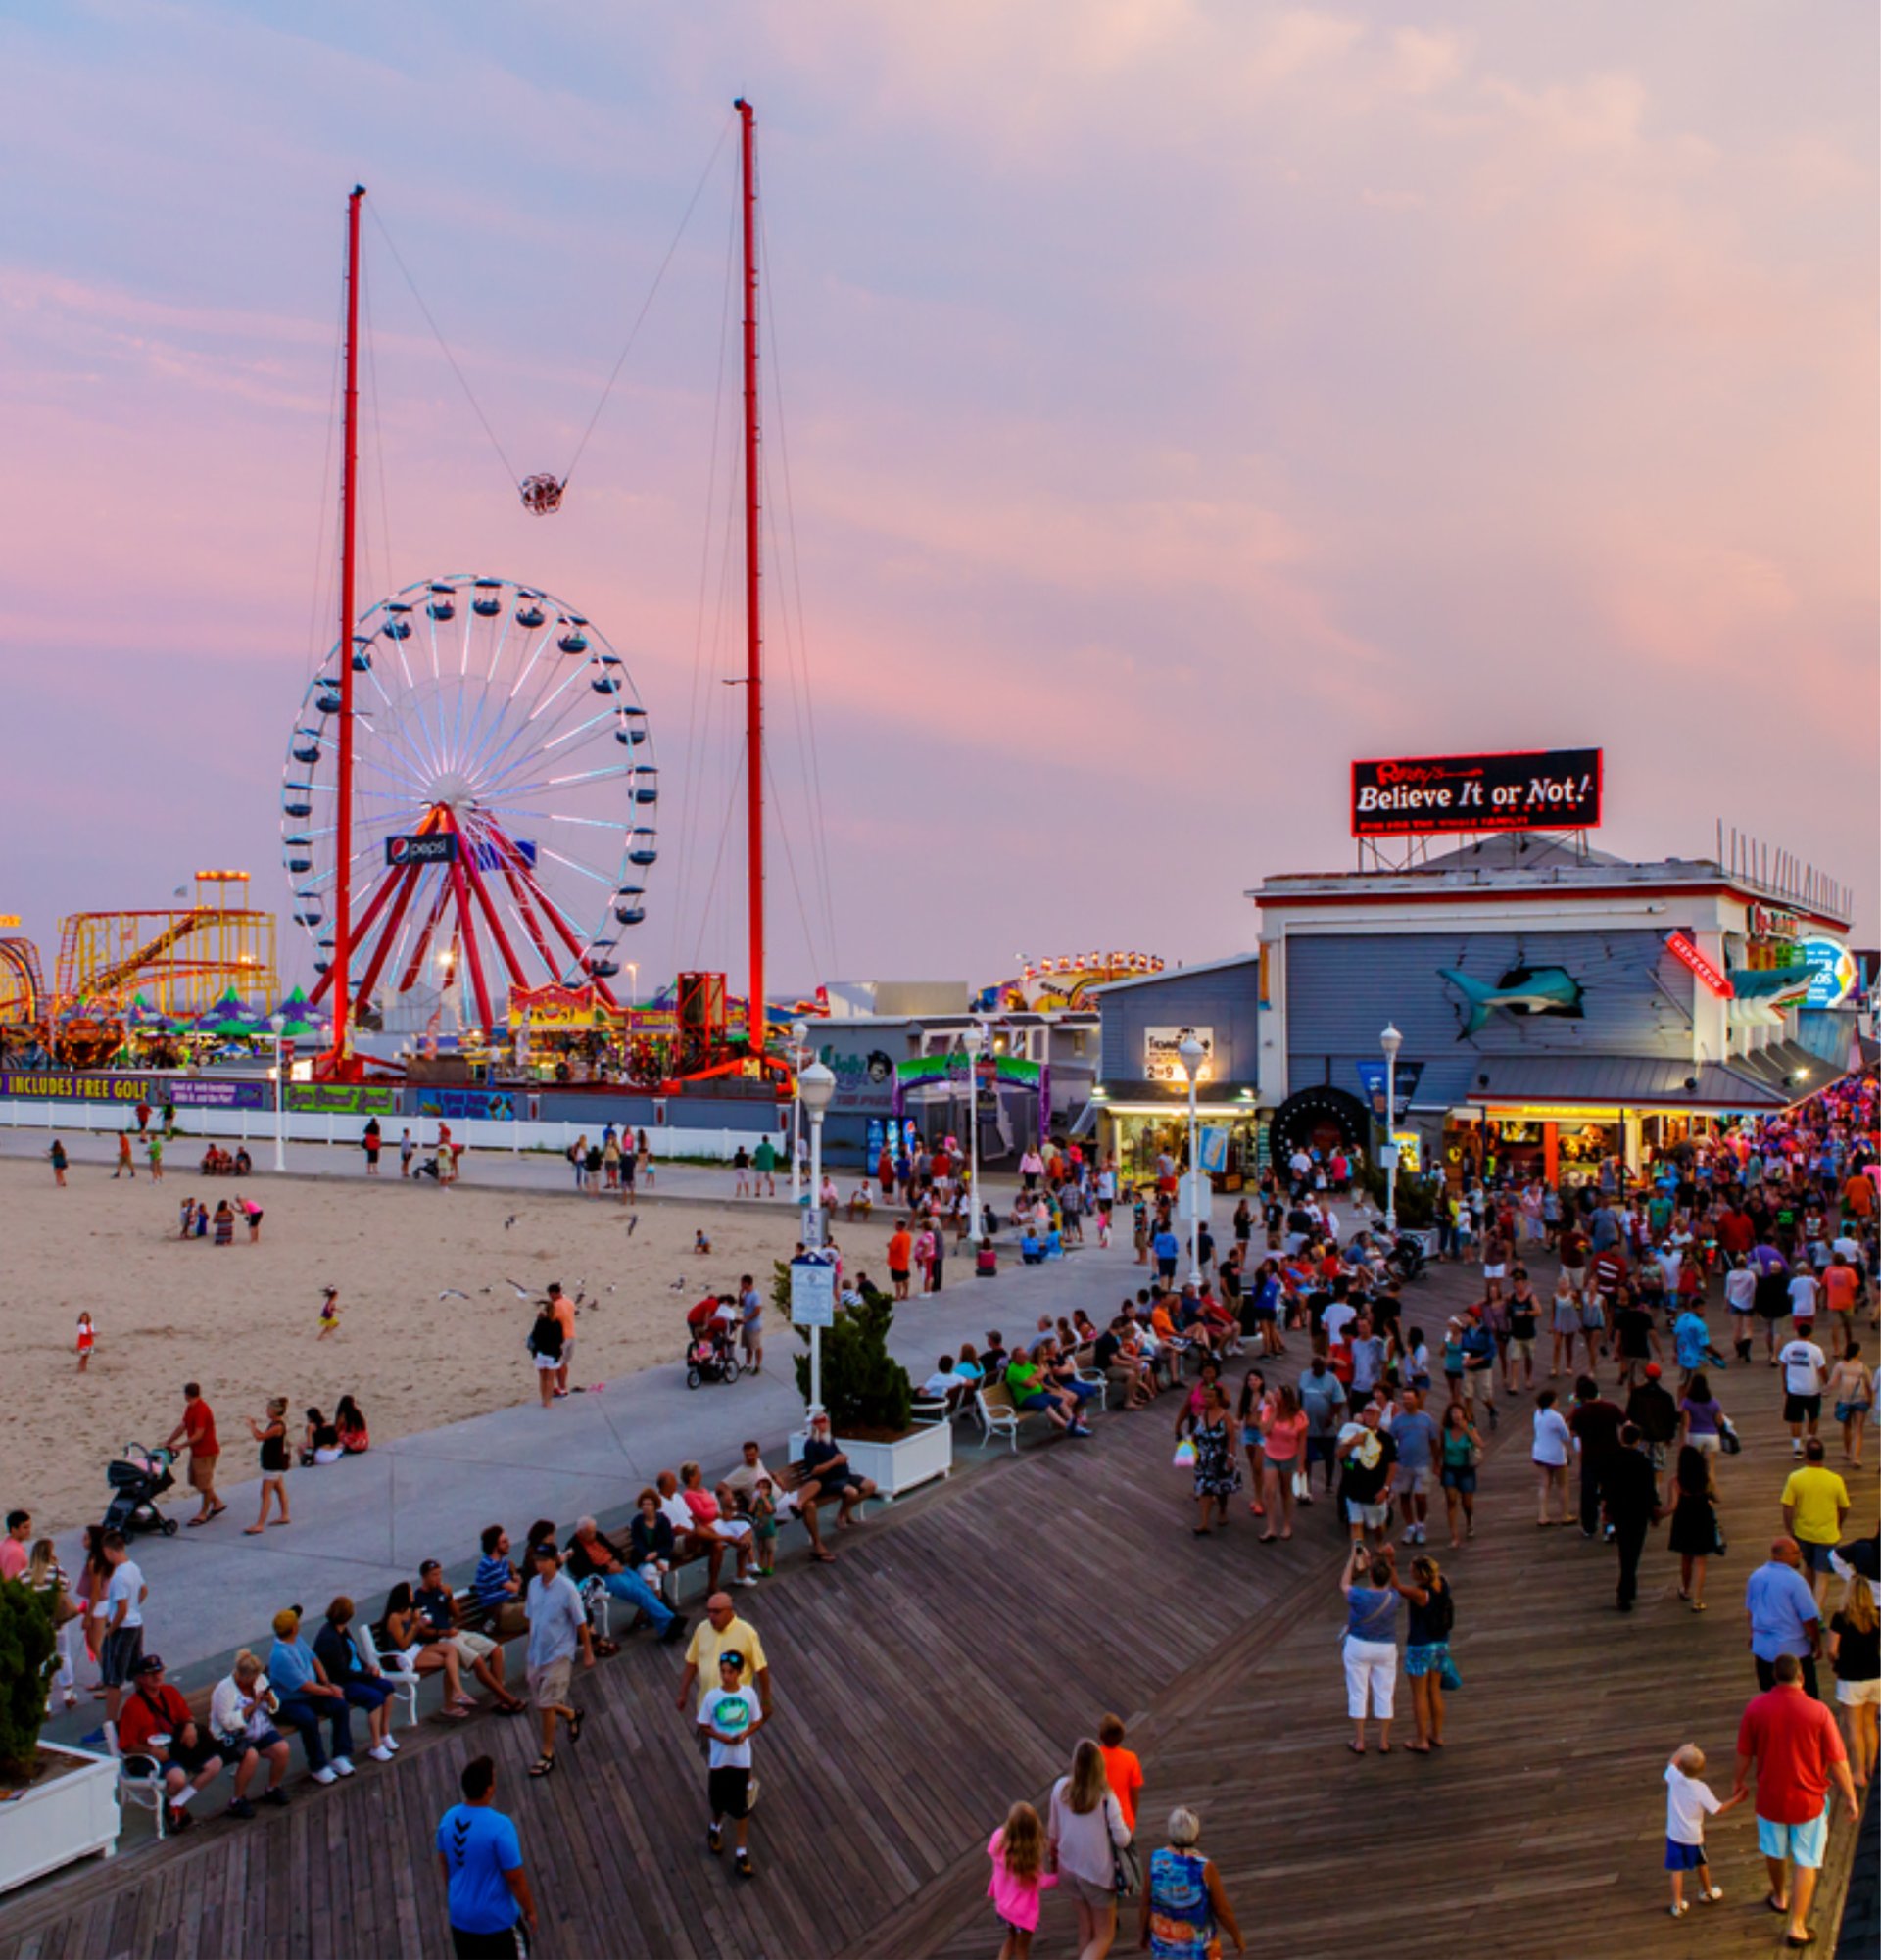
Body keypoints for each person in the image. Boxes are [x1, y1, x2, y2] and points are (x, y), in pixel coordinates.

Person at [1733, 1651, 1860, 1949]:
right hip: (1808, 1801)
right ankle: (1798, 1926)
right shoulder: (1817, 1712)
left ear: (1775, 1676)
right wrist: (1852, 1798)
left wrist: (1736, 1781)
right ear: (1801, 1677)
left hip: (1770, 1798)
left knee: (1774, 1851)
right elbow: (1838, 1760)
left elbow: (1744, 1752)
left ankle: (1779, 1897)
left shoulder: (1756, 1708)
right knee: (1807, 1860)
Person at [438, 1754, 538, 1959]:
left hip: (461, 1920)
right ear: (489, 1788)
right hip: (496, 1922)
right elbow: (515, 1878)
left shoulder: (448, 1819)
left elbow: (444, 1863)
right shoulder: (500, 1827)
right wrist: (530, 1911)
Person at [117, 1652, 224, 1833]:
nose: (157, 1676)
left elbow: (186, 1716)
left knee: (215, 1763)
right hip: (148, 1757)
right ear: (141, 1679)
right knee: (178, 1778)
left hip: (176, 1748)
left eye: (159, 1671)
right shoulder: (132, 1706)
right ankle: (174, 1807)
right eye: (151, 1674)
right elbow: (127, 1746)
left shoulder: (170, 1692)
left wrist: (190, 1725)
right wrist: (151, 1751)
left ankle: (176, 1803)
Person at [1045, 1739, 1132, 1960]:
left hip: (1067, 1868)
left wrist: (1053, 1861)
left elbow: (1053, 1833)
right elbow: (1122, 1840)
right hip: (1096, 1873)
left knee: (1086, 1931)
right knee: (1104, 1936)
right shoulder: (1106, 1799)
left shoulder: (1060, 1789)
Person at [523, 1541, 593, 1778]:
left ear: (554, 1561)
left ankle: (546, 1754)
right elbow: (531, 1619)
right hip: (537, 1654)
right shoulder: (533, 1585)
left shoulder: (567, 1588)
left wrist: (588, 1653)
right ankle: (571, 1715)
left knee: (545, 1704)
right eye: (537, 1560)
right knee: (545, 1704)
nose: (539, 1564)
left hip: (559, 1653)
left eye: (543, 1560)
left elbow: (580, 1622)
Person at [1139, 1805, 1246, 1959]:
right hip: (1199, 1950)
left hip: (1165, 1948)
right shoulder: (1203, 1867)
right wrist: (1237, 1936)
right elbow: (1222, 1910)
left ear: (1169, 1832)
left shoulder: (1156, 1862)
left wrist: (1143, 1933)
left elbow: (1145, 1903)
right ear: (1197, 1835)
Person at [565, 1516, 688, 1644]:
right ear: (580, 1532)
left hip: (619, 1568)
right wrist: (607, 1569)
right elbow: (580, 1570)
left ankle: (666, 1628)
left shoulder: (598, 1536)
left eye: (594, 1531)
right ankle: (670, 1620)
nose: (593, 1534)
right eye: (590, 1532)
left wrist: (617, 1562)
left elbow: (616, 1551)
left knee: (646, 1590)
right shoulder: (573, 1547)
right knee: (639, 1594)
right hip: (604, 1577)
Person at [266, 1605, 354, 1783]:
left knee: (339, 1706)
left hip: (310, 1693)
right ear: (293, 1628)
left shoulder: (296, 1639)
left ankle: (341, 1755)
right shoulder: (281, 1655)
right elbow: (304, 1686)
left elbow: (314, 1659)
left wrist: (328, 1683)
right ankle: (318, 1766)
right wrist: (330, 1691)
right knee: (308, 1719)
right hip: (288, 1701)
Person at [699, 1650, 766, 1880]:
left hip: (740, 1761)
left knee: (740, 1808)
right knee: (718, 1802)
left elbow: (757, 1720)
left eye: (730, 1672)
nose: (725, 1676)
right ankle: (715, 1828)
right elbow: (703, 1724)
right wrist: (720, 1737)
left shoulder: (748, 1695)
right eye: (723, 1671)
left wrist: (745, 1733)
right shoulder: (711, 1697)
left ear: (739, 1673)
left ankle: (741, 1852)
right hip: (719, 1760)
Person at [208, 1649, 293, 1817]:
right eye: (252, 1678)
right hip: (233, 1735)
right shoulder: (224, 1690)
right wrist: (252, 1706)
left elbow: (275, 1706)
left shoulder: (260, 1679)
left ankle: (273, 1788)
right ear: (242, 1676)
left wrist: (270, 1701)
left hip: (260, 1728)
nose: (255, 1681)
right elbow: (227, 1722)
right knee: (251, 1756)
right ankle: (237, 1800)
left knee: (282, 1749)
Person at [313, 1597, 396, 1761]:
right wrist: (367, 1675)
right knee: (375, 1697)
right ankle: (376, 1745)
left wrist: (367, 1667)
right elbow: (342, 1672)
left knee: (387, 1687)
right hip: (343, 1681)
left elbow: (354, 1655)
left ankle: (385, 1732)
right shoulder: (329, 1638)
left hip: (357, 1674)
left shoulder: (343, 1630)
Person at [1663, 1742, 1739, 1917]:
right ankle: (1707, 1892)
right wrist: (1736, 1799)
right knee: (1701, 1863)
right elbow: (1718, 1809)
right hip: (1693, 1837)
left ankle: (1677, 1904)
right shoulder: (1701, 1789)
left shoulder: (1674, 1778)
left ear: (1680, 1765)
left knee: (1676, 1870)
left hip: (1674, 1834)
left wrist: (1681, 1750)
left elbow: (1670, 1764)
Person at [1339, 1543, 1401, 1753]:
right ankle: (1383, 1741)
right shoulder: (1393, 1598)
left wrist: (1353, 1559)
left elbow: (1344, 1584)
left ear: (1371, 1576)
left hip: (1358, 1645)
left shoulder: (1359, 1595)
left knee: (1358, 1692)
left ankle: (1360, 1740)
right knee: (1384, 1692)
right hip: (1385, 1648)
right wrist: (1389, 1560)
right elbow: (1395, 1582)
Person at [796, 1412, 882, 1558]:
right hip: (827, 1481)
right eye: (821, 1423)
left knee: (870, 1486)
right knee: (852, 1492)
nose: (825, 1425)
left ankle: (846, 1510)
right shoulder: (811, 1444)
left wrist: (843, 1458)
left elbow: (838, 1455)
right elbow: (814, 1470)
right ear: (816, 1426)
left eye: (826, 1422)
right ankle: (842, 1514)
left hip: (844, 1476)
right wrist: (834, 1462)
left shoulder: (829, 1440)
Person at [1748, 1540, 1825, 1699]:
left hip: (1763, 1648)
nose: (1801, 1555)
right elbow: (1809, 1618)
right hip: (1794, 1650)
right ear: (1779, 1555)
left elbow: (1751, 1610)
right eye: (1796, 1552)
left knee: (1770, 1696)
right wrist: (1817, 1643)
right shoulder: (1795, 1581)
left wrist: (1753, 1634)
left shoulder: (1756, 1576)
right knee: (1807, 1697)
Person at [1826, 1570, 1879, 1793]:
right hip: (1876, 1676)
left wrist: (1835, 1664)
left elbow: (1832, 1650)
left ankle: (1858, 1774)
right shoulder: (1878, 1617)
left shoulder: (1840, 1619)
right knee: (1870, 1723)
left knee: (1853, 1727)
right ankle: (1873, 1768)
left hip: (1851, 1679)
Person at [1781, 1442, 1851, 1608]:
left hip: (1803, 1532)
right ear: (1823, 1456)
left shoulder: (1795, 1477)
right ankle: (1817, 1611)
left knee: (1808, 1568)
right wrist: (1838, 1523)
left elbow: (1787, 1506)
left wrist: (1789, 1528)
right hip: (1827, 1534)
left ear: (1806, 1454)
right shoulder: (1835, 1480)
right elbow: (1844, 1507)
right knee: (1823, 1574)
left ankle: (1805, 1604)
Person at [1605, 1423, 1664, 1613]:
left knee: (1624, 1549)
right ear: (1638, 1441)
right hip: (1639, 1512)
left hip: (1620, 1511)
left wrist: (1607, 1509)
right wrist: (1654, 1511)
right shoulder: (1643, 1461)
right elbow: (1649, 1489)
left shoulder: (1613, 1459)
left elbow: (1608, 1487)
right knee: (1634, 1549)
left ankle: (1627, 1587)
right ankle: (1627, 1588)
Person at [988, 1799, 1057, 1960]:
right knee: (1021, 1951)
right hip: (1023, 1914)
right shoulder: (1029, 1858)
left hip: (1003, 1907)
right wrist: (1062, 1875)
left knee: (1011, 1941)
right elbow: (1044, 1882)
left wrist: (992, 1890)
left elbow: (995, 1870)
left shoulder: (998, 1839)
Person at [1400, 1554, 1454, 1753]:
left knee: (1419, 1694)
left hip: (1420, 1646)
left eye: (1412, 1570)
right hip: (1440, 1644)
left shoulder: (1419, 1594)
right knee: (1435, 1691)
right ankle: (1437, 1735)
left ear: (1419, 1576)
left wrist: (1390, 1561)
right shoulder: (1444, 1583)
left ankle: (1421, 1739)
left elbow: (1397, 1586)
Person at [99, 1531, 147, 1723]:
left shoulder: (118, 1577)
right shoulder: (133, 1568)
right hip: (136, 1624)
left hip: (122, 1628)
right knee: (137, 1671)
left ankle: (110, 1722)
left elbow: (121, 1609)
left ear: (108, 1551)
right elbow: (144, 1590)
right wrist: (135, 1607)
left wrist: (111, 1629)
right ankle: (146, 1713)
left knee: (113, 1679)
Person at [163, 1383, 224, 1527]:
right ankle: (217, 1503)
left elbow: (198, 1435)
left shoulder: (201, 1410)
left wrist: (181, 1446)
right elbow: (182, 1426)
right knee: (196, 1481)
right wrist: (168, 1442)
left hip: (206, 1452)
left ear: (186, 1395)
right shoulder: (191, 1408)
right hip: (197, 1452)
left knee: (205, 1484)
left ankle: (203, 1513)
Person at [1668, 1444, 1721, 1611]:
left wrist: (1658, 1514)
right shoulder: (1705, 1480)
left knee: (1686, 1557)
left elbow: (1673, 1506)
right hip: (1702, 1516)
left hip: (1684, 1518)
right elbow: (1718, 1497)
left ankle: (1686, 1589)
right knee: (1700, 1562)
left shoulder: (1677, 1482)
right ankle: (1698, 1600)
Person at [1187, 1381, 1241, 1535]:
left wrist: (1231, 1456)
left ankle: (1222, 1512)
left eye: (1210, 1396)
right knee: (1204, 1489)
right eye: (1205, 1397)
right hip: (1203, 1457)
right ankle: (1204, 1522)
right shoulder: (1201, 1415)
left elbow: (1231, 1437)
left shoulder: (1225, 1416)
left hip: (1220, 1456)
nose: (1207, 1399)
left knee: (1221, 1487)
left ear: (1217, 1398)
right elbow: (1195, 1434)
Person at [1437, 1403, 1482, 1550]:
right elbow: (1441, 1448)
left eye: (1458, 1412)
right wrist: (1437, 1465)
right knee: (1451, 1500)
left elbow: (1480, 1444)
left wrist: (1466, 1430)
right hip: (1449, 1467)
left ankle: (1469, 1520)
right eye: (1453, 1413)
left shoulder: (1470, 1428)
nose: (1455, 1415)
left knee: (1467, 1503)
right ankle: (1454, 1536)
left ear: (1463, 1414)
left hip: (1466, 1469)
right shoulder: (1445, 1431)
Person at [1779, 1328, 1829, 1455]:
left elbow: (1783, 1365)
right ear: (1811, 1334)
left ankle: (1797, 1447)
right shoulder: (1816, 1349)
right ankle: (1810, 1441)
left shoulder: (1789, 1347)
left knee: (1795, 1418)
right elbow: (1822, 1369)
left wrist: (1785, 1382)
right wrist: (1827, 1383)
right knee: (1813, 1415)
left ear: (1797, 1333)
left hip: (1794, 1389)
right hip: (1811, 1388)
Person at [1531, 1387, 1572, 1526]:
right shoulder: (1556, 1417)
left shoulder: (1538, 1414)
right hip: (1555, 1454)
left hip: (1539, 1452)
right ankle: (1564, 1514)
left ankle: (1542, 1516)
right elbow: (1566, 1436)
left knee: (1544, 1485)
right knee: (1562, 1485)